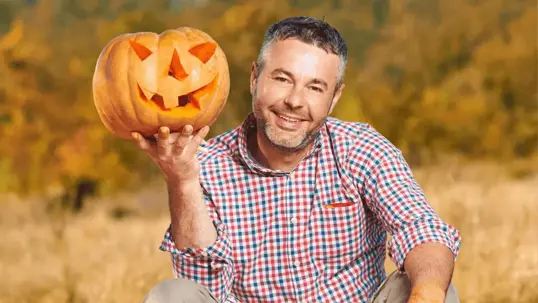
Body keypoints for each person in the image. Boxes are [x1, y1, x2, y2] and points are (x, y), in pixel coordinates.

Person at [133, 16, 462, 303]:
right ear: (254, 78)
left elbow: (422, 230)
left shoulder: (361, 149)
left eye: (315, 87)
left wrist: (426, 296)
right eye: (282, 78)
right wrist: (183, 181)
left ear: (334, 99)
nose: (294, 101)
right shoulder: (207, 164)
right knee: (170, 297)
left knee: (436, 290)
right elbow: (200, 290)